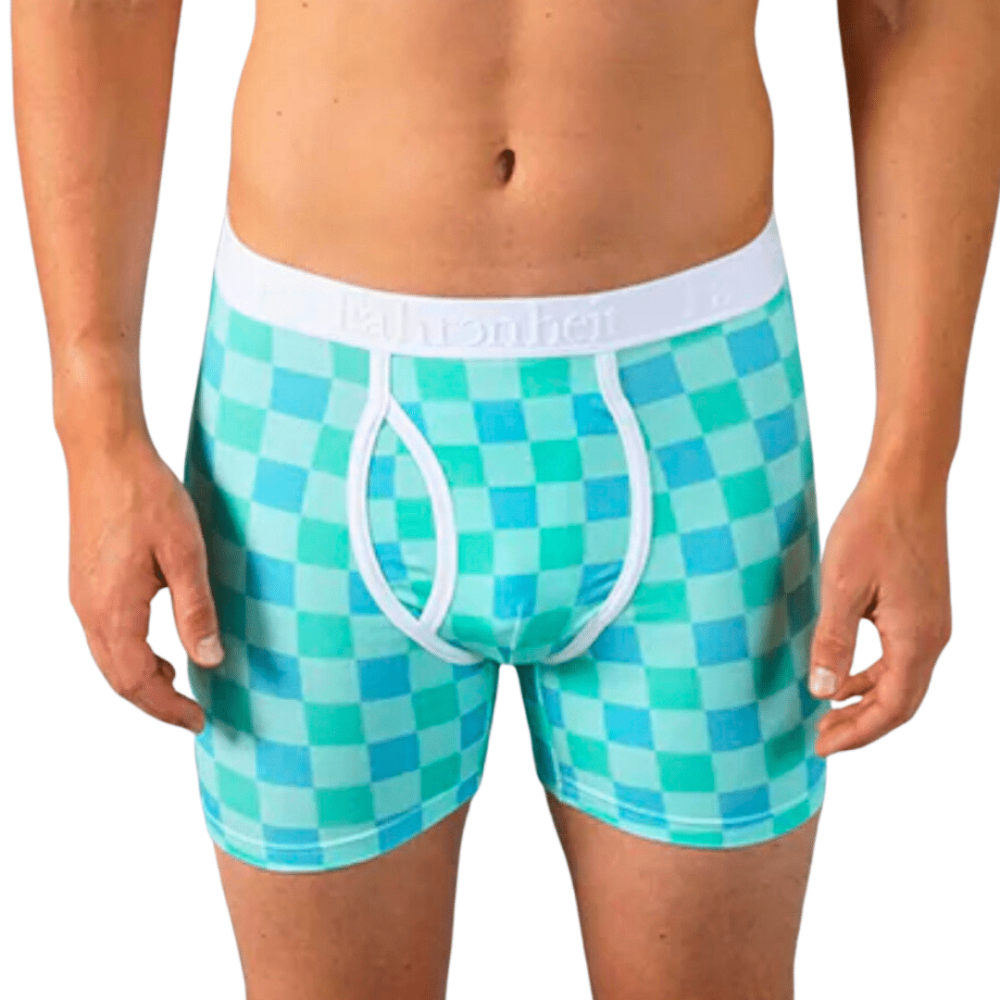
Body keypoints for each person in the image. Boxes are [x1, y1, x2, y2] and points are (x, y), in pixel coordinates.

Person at [11, 1, 1000, 998]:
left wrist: (916, 458)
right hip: (313, 409)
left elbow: (912, 14)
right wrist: (95, 425)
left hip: (694, 412)